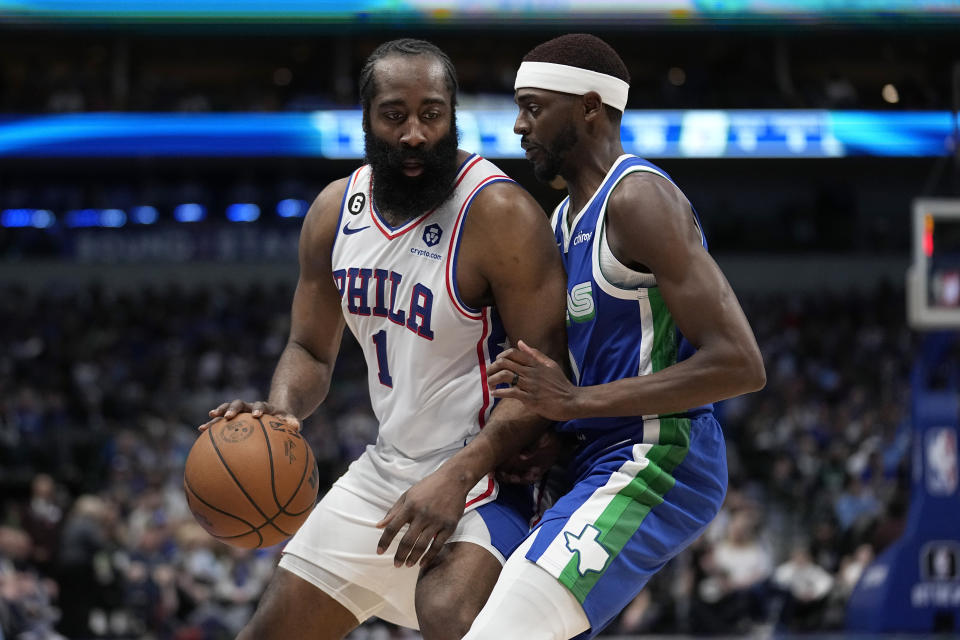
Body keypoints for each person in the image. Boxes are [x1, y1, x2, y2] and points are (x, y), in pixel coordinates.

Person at [199, 39, 568, 640]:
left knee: (451, 618)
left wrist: (455, 477)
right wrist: (282, 411)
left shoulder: (498, 213)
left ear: (454, 116)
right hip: (386, 470)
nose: (416, 134)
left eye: (432, 113)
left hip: (491, 475)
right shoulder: (333, 212)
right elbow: (310, 350)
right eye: (395, 114)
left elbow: (546, 380)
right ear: (367, 120)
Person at [461, 33, 767, 639]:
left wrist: (577, 404)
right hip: (593, 458)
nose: (518, 126)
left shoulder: (639, 199)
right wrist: (561, 430)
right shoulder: (560, 221)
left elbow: (740, 363)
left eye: (532, 106)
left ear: (589, 108)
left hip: (660, 455)